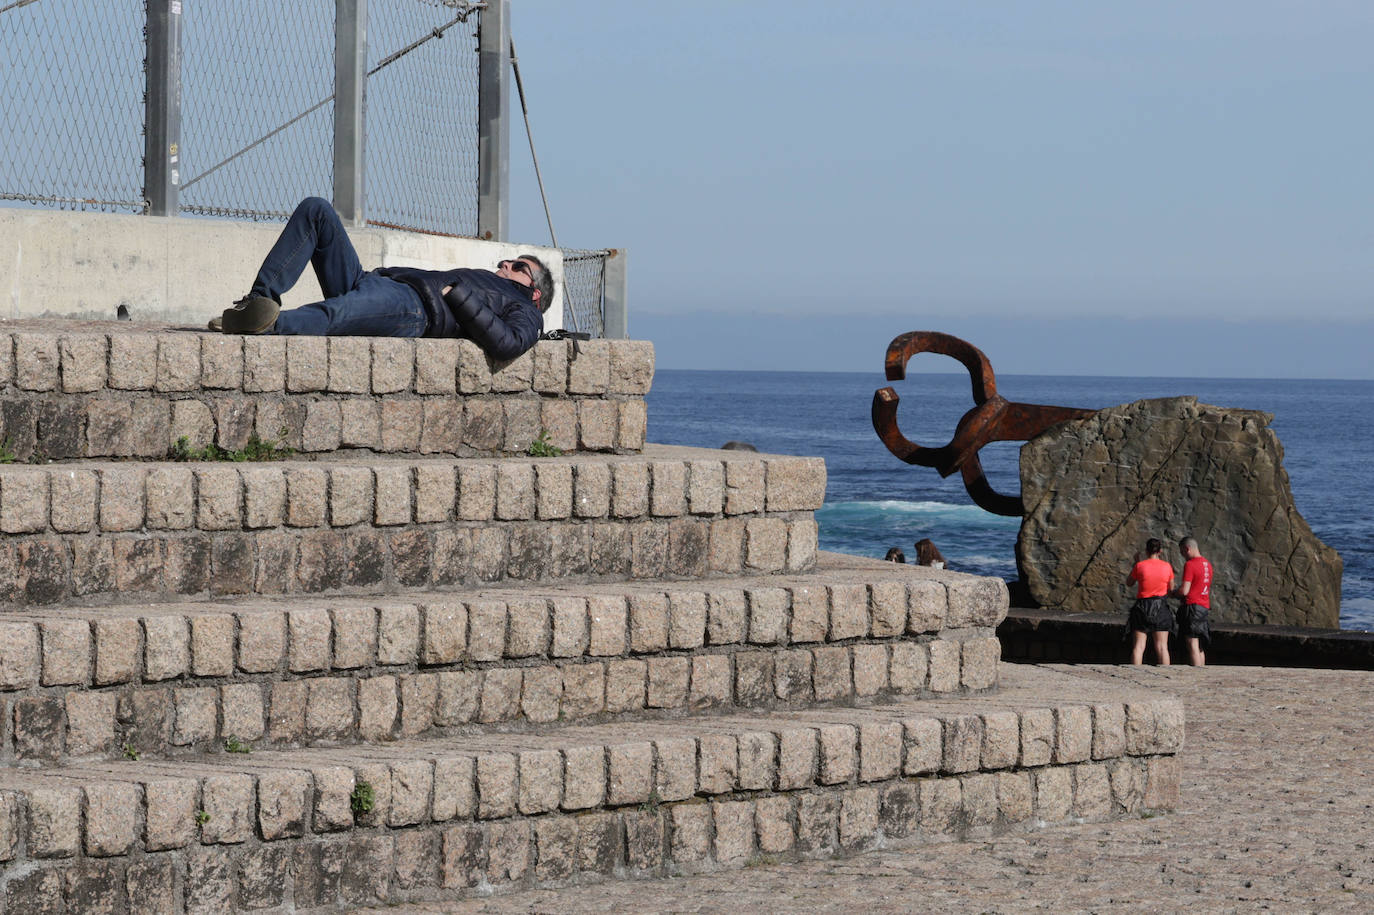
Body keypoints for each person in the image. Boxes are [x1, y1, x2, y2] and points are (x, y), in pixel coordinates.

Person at [216, 197, 553, 361]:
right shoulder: (497, 283)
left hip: (413, 309)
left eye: (518, 267)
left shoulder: (527, 311)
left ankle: (268, 325)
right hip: (381, 283)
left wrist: (456, 294)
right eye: (506, 260)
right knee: (317, 211)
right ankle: (258, 302)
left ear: (534, 292)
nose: (506, 264)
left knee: (336, 314)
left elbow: (508, 343)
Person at [1126, 537, 1175, 665]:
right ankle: (1166, 678)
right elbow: (1171, 589)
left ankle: (1134, 674)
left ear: (1146, 551)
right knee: (1162, 647)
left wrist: (1135, 563)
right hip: (1160, 607)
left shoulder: (1140, 566)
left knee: (1138, 647)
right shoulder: (1167, 567)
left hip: (1142, 607)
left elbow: (1129, 583)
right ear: (1160, 551)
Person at [1175, 536, 1213, 666]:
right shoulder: (1207, 564)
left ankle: (1196, 676)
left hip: (1192, 608)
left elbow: (1185, 591)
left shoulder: (1190, 565)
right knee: (1199, 645)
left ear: (1187, 549)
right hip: (1204, 608)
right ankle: (1202, 673)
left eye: (1182, 552)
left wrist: (1173, 593)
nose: (1183, 556)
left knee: (1192, 644)